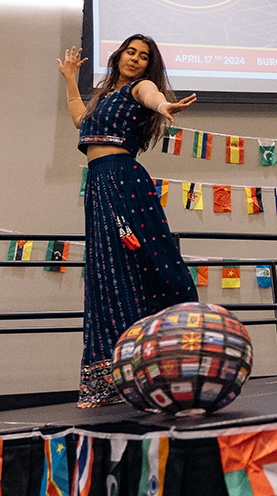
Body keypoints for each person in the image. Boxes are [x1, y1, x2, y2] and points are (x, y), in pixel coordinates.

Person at [57, 35, 198, 407]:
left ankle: (175, 341)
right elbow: (78, 120)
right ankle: (118, 374)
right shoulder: (103, 96)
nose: (135, 59)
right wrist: (71, 79)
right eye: (130, 52)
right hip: (99, 185)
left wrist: (164, 104)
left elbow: (153, 96)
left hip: (123, 181)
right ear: (119, 55)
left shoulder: (141, 87)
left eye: (143, 56)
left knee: (145, 260)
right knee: (107, 273)